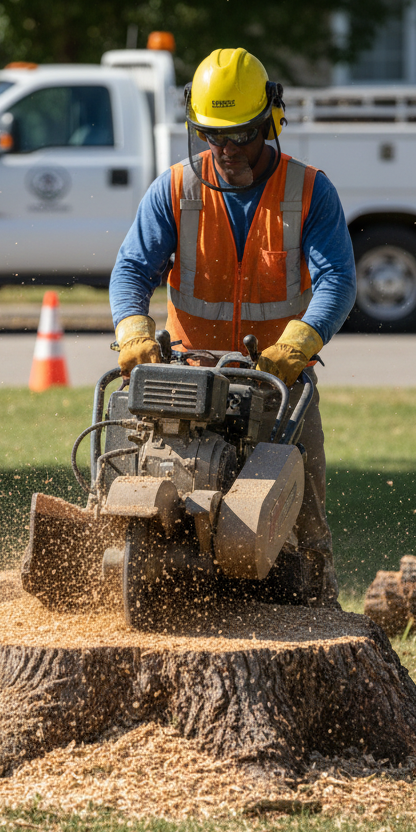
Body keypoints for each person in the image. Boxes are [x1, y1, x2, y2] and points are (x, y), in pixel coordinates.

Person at [108, 47, 356, 607]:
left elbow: (337, 280)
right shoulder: (173, 190)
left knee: (305, 523)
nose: (226, 150)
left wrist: (298, 344)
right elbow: (130, 270)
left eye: (241, 136)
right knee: (129, 477)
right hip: (184, 377)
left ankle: (315, 613)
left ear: (271, 121)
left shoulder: (309, 191)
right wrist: (132, 331)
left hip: (276, 381)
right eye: (213, 137)